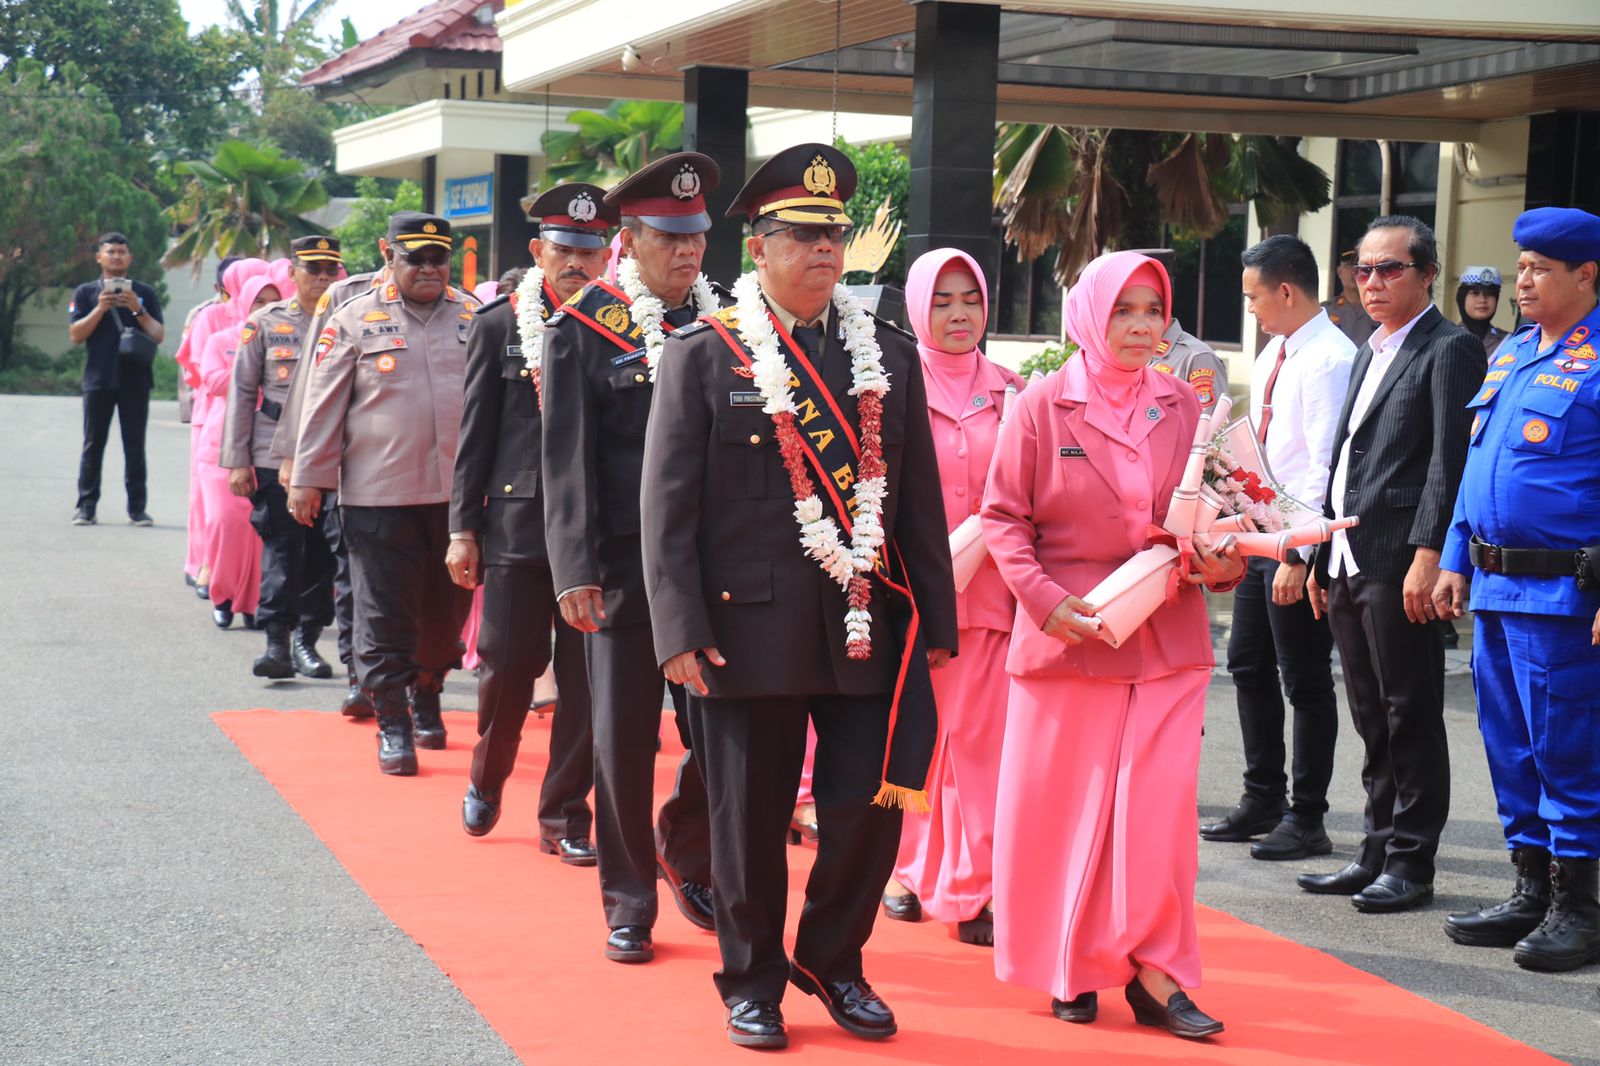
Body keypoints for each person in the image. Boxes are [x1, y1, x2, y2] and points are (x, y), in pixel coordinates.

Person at [641, 142, 957, 1050]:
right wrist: (678, 629)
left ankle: (834, 960)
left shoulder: (885, 353)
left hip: (868, 622)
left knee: (870, 804)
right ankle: (752, 981)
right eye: (805, 234)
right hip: (746, 626)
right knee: (748, 817)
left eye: (836, 234)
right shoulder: (706, 356)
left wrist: (935, 618)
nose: (826, 249)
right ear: (761, 245)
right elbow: (666, 510)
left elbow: (919, 497)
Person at [982, 250, 1244, 1040]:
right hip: (1069, 639)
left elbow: (1206, 515)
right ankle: (1071, 966)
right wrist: (1051, 604)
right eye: (1124, 310)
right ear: (1091, 314)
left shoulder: (1183, 405)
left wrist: (1224, 557)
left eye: (1152, 312)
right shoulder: (1039, 404)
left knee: (1158, 821)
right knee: (1062, 817)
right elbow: (1003, 520)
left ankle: (1160, 972)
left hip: (1166, 636)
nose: (1140, 327)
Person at [541, 153, 723, 962]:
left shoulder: (731, 326)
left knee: (720, 735)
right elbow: (566, 460)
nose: (688, 253)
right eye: (670, 237)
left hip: (709, 572)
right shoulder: (583, 329)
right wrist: (573, 566)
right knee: (620, 742)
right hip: (618, 570)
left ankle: (685, 846)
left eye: (698, 237)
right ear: (631, 239)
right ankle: (627, 900)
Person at [1299, 215, 1484, 913]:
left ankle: (1412, 861)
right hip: (1347, 550)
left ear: (1428, 273)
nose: (1371, 282)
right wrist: (1320, 554)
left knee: (1409, 710)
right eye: (1362, 269)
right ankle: (1375, 847)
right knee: (1370, 709)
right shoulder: (1369, 346)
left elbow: (1448, 459)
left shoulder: (1450, 348)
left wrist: (1429, 554)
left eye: (1390, 269)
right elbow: (1345, 457)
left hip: (1400, 556)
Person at [1434, 207, 1600, 972]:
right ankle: (1530, 888)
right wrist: (1453, 558)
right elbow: (1478, 470)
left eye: (1539, 268)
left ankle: (1580, 907)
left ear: (1586, 276)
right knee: (1509, 746)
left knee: (1567, 749)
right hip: (1498, 590)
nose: (1522, 280)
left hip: (1568, 596)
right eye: (1521, 266)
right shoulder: (1511, 356)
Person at [447, 184, 617, 865]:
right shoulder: (497, 326)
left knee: (584, 684)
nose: (577, 262)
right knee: (508, 668)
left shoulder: (626, 327)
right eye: (565, 249)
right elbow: (474, 436)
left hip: (600, 537)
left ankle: (565, 814)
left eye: (590, 250)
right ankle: (487, 778)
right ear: (537, 250)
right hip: (519, 528)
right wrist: (464, 528)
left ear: (609, 254)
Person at [288, 212, 477, 776]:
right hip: (378, 498)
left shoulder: (476, 318)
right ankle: (392, 719)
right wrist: (308, 477)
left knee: (445, 614)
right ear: (388, 255)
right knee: (384, 613)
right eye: (413, 257)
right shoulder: (352, 319)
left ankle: (429, 693)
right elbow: (323, 406)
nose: (426, 268)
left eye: (436, 258)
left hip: (458, 501)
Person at [879, 247, 1022, 947]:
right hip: (909, 601)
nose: (960, 313)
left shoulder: (1014, 391)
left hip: (994, 601)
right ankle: (905, 867)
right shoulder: (887, 385)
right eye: (942, 300)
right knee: (916, 742)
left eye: (970, 298)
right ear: (915, 307)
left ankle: (977, 885)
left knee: (982, 747)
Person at [1203, 235, 1354, 860]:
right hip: (1257, 534)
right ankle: (1262, 794)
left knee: (1305, 677)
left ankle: (1307, 814)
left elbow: (1323, 465)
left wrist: (1298, 555)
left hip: (1296, 541)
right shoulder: (1275, 354)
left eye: (1254, 297)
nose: (1252, 310)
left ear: (1286, 290)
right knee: (1246, 664)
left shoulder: (1331, 358)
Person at [278, 247, 392, 720]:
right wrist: (297, 459)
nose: (427, 265)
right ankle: (358, 675)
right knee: (352, 576)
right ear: (388, 251)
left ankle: (410, 678)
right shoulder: (345, 297)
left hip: (428, 474)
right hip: (354, 470)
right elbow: (310, 380)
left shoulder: (457, 304)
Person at [222, 237, 342, 680]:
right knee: (282, 548)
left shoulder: (348, 321)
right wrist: (238, 460)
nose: (324, 278)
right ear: (292, 273)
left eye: (332, 270)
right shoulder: (265, 323)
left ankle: (308, 642)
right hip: (275, 451)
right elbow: (242, 392)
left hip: (333, 458)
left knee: (323, 556)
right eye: (314, 270)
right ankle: (277, 643)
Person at [68, 233, 165, 526]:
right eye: (110, 252)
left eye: (122, 252)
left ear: (130, 258)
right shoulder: (85, 293)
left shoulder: (145, 292)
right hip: (98, 378)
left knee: (134, 445)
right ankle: (86, 507)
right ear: (99, 257)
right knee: (92, 444)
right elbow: (75, 335)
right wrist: (101, 307)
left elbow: (158, 334)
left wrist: (136, 307)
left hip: (135, 380)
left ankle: (137, 509)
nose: (117, 256)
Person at [197, 275, 277, 630]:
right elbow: (212, 381)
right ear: (245, 304)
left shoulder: (285, 343)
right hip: (220, 448)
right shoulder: (220, 340)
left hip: (266, 447)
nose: (265, 310)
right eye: (259, 302)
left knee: (259, 529)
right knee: (223, 524)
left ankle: (252, 601)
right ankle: (223, 595)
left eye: (272, 302)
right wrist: (251, 369)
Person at [1323, 250, 1378, 349]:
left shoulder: (1379, 310)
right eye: (1349, 266)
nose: (1354, 271)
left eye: (1360, 266)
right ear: (1339, 272)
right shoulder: (1325, 310)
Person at [1456, 265, 1511, 360]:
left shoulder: (1509, 342)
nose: (1482, 300)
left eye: (1489, 294)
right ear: (1462, 298)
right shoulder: (1445, 338)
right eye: (1475, 293)